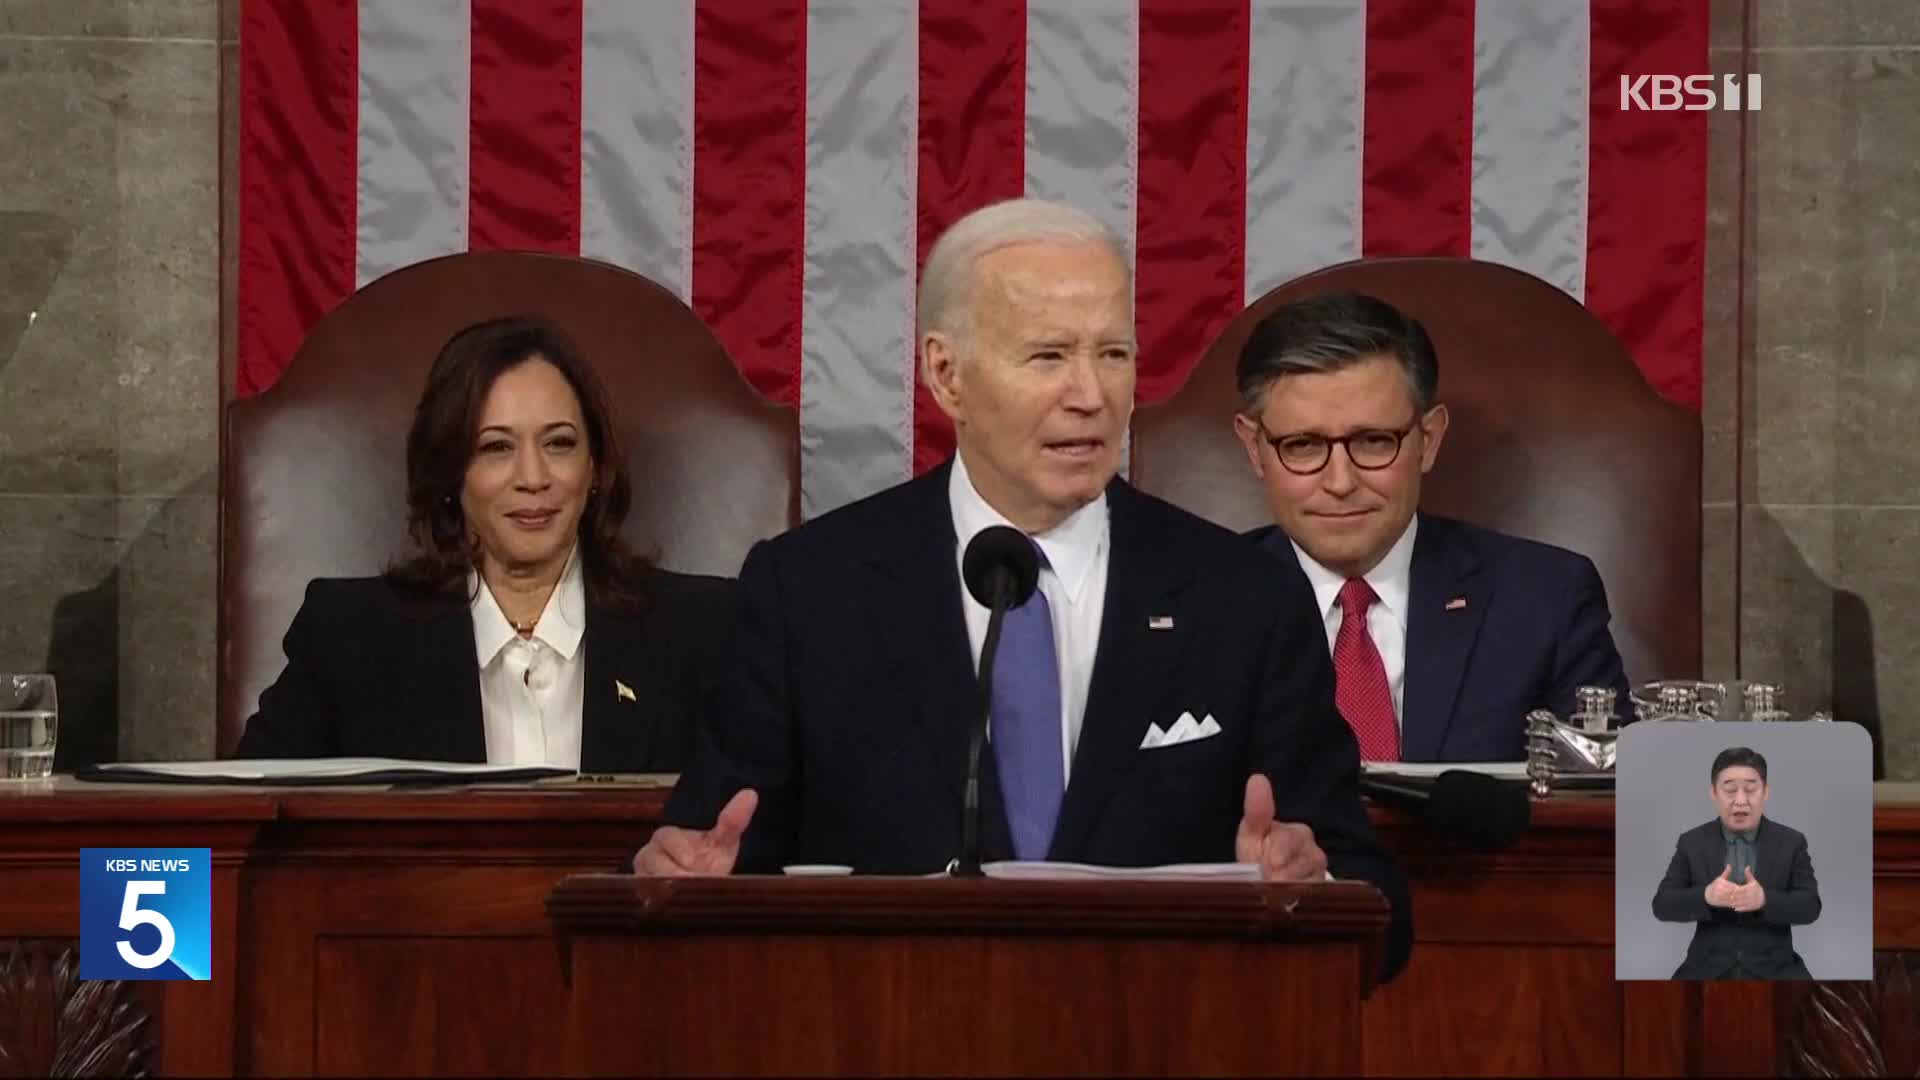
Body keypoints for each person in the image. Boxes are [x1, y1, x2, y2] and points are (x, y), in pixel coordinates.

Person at [636, 198, 1411, 980]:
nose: (1091, 395)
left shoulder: (1243, 597)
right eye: (1048, 357)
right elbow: (717, 855)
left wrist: (1312, 890)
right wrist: (688, 888)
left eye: (1112, 354)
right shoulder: (808, 593)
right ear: (947, 375)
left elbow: (1376, 904)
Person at [234, 316, 734, 772]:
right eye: (497, 447)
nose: (534, 477)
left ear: (594, 468)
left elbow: (772, 840)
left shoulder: (706, 631)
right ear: (452, 472)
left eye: (559, 443)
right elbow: (219, 845)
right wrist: (158, 876)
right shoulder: (347, 639)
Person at [1234, 292, 1630, 762]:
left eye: (1374, 441)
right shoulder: (1194, 606)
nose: (1340, 482)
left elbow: (1618, 811)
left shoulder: (1547, 600)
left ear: (1428, 440)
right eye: (1302, 445)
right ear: (1255, 449)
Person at [1652, 746, 1821, 980]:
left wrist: (1764, 899)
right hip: (1705, 968)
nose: (1740, 801)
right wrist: (1706, 896)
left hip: (1776, 969)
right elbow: (1662, 904)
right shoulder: (1692, 841)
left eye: (1751, 790)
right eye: (1729, 790)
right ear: (1713, 792)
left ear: (1765, 792)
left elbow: (1811, 906)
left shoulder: (1791, 842)